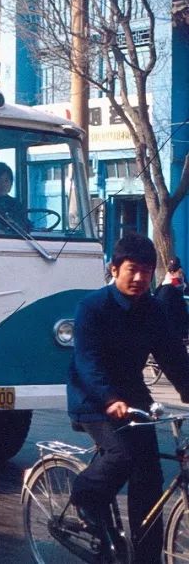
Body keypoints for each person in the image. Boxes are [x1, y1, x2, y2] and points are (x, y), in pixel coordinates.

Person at [68, 232, 189, 564]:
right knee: (121, 456)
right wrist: (109, 399)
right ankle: (84, 496)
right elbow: (87, 362)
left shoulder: (153, 309)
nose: (139, 278)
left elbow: (173, 357)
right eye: (132, 269)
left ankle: (146, 558)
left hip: (135, 397)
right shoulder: (92, 308)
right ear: (114, 269)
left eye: (146, 272)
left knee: (149, 479)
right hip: (92, 400)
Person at [155, 257, 189, 341]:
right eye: (177, 272)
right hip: (171, 331)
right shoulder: (167, 289)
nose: (180, 274)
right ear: (171, 273)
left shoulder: (181, 283)